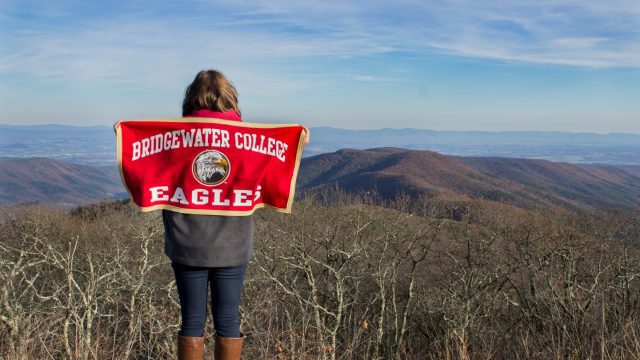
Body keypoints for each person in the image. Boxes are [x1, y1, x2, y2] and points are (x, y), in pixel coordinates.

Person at [163, 69, 308, 360]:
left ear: (192, 98)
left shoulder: (173, 138)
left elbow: (149, 172)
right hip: (232, 244)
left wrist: (125, 137)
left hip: (186, 243)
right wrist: (297, 140)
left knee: (191, 321)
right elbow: (271, 165)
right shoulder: (246, 139)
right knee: (228, 322)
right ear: (230, 99)